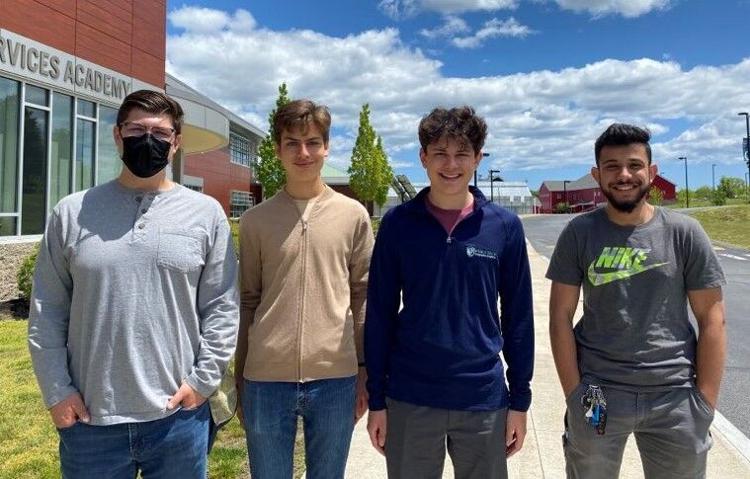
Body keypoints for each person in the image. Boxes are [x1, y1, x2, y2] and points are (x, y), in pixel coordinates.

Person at [27, 89, 239, 478]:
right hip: (90, 422)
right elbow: (47, 310)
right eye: (136, 129)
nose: (148, 140)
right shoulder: (72, 212)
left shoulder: (206, 214)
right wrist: (57, 391)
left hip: (178, 417)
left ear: (176, 142)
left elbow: (222, 307)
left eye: (160, 133)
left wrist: (203, 382)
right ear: (117, 135)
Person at [547, 123, 726, 478]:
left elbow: (712, 319)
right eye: (611, 166)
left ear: (652, 172)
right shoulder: (580, 233)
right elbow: (560, 317)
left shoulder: (683, 233)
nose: (624, 175)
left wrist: (704, 402)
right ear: (598, 175)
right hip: (597, 393)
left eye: (634, 165)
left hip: (674, 395)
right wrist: (575, 393)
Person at [365, 106, 534, 479]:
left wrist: (519, 399)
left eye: (462, 153)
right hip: (411, 394)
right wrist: (377, 398)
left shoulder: (503, 227)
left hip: (482, 397)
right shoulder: (398, 224)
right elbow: (379, 311)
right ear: (423, 157)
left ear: (477, 158)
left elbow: (518, 317)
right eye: (440, 153)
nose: (451, 164)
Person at [236, 99, 373, 479]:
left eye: (313, 142)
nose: (304, 152)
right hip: (265, 379)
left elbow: (362, 295)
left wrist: (363, 367)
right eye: (292, 143)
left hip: (336, 377)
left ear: (327, 147)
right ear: (278, 149)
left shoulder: (353, 215)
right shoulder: (255, 221)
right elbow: (248, 300)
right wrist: (240, 372)